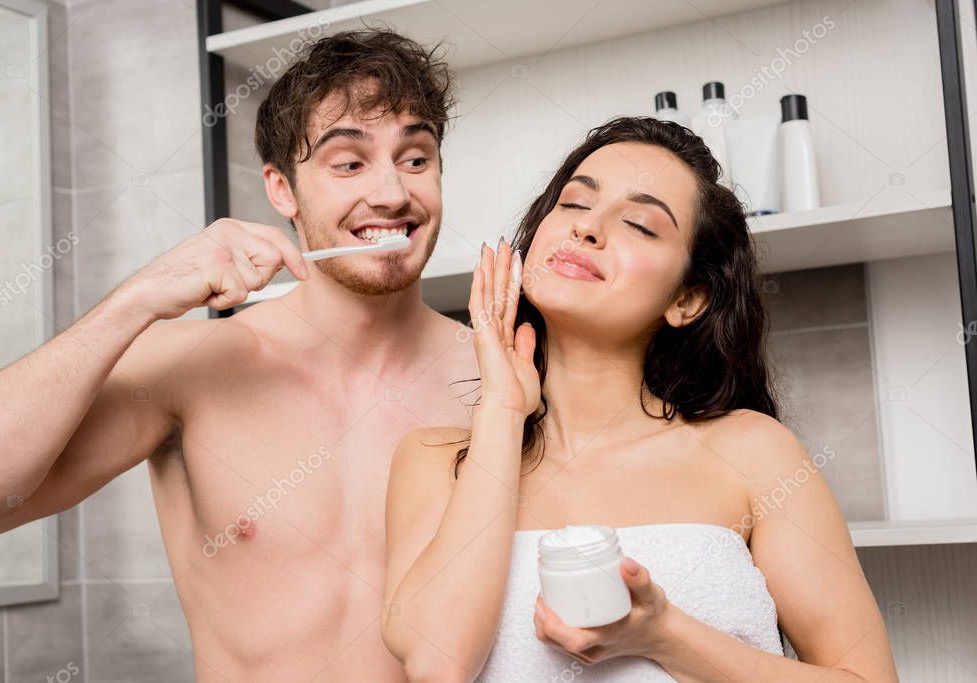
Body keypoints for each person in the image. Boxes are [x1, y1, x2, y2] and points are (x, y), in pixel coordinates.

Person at [0, 30, 476, 681]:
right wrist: (135, 300)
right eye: (348, 163)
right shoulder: (193, 366)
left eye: (416, 157)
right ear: (281, 189)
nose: (393, 192)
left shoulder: (501, 379)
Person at [381, 117, 899, 682]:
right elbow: (438, 666)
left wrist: (664, 635)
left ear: (687, 298)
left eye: (639, 224)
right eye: (574, 204)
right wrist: (503, 414)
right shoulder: (435, 460)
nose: (588, 229)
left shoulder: (754, 453)